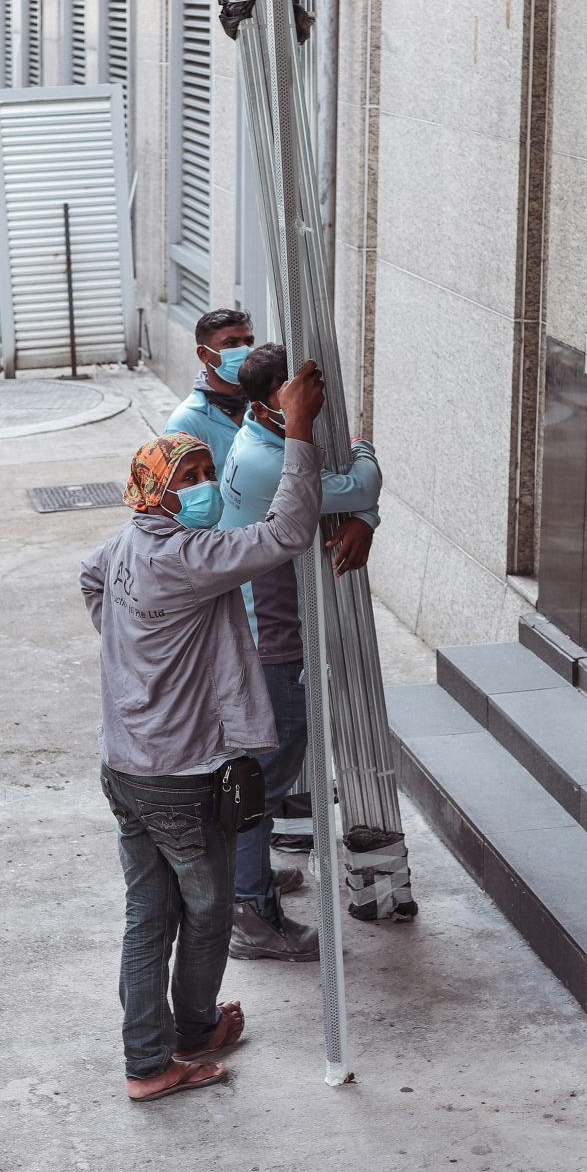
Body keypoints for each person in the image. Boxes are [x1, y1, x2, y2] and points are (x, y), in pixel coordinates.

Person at [79, 360, 328, 1102]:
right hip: (180, 778)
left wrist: (134, 653)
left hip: (127, 767)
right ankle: (172, 1050)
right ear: (160, 492)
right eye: (191, 476)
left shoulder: (127, 544)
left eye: (207, 472)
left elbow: (88, 579)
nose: (206, 487)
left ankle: (157, 1051)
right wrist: (304, 428)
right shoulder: (189, 558)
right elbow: (287, 529)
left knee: (148, 915)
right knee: (210, 911)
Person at [217, 342, 383, 961]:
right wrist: (361, 452)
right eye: (307, 401)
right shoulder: (270, 461)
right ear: (277, 404)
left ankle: (249, 882)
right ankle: (250, 915)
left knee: (261, 778)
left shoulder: (256, 439)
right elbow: (360, 480)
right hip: (273, 646)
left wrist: (358, 510)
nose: (319, 412)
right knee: (261, 783)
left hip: (265, 635)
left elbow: (345, 498)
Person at [164, 309, 258, 468]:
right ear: (203, 354)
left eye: (248, 342)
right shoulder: (186, 422)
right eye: (231, 343)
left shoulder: (263, 403)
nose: (244, 351)